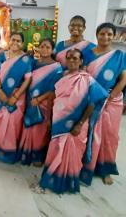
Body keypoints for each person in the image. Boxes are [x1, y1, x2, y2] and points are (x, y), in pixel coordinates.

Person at [40, 49, 108, 194]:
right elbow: (53, 96)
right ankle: (51, 178)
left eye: (75, 58)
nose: (71, 60)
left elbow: (92, 103)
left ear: (81, 61)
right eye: (69, 57)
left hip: (77, 123)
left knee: (73, 152)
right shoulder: (60, 76)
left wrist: (80, 124)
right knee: (56, 149)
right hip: (58, 120)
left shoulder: (87, 79)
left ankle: (68, 181)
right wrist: (50, 118)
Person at [80, 23, 126, 186]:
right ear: (97, 34)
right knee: (88, 132)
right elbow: (82, 76)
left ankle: (105, 169)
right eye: (102, 34)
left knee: (109, 136)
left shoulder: (119, 55)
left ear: (113, 36)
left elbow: (123, 79)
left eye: (109, 34)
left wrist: (110, 97)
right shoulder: (87, 53)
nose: (105, 37)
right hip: (91, 98)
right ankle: (85, 165)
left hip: (111, 101)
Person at [18, 38, 63, 166]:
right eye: (42, 46)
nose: (44, 49)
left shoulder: (57, 67)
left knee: (41, 129)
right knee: (29, 127)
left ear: (52, 50)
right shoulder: (33, 63)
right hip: (29, 99)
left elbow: (55, 88)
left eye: (48, 47)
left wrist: (39, 99)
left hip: (44, 102)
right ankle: (26, 153)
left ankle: (38, 156)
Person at [0, 32, 32, 164]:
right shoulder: (3, 55)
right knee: (0, 120)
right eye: (13, 40)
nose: (15, 43)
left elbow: (28, 79)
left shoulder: (26, 59)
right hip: (1, 93)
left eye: (19, 41)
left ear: (22, 44)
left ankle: (9, 152)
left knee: (13, 122)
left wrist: (16, 96)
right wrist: (0, 91)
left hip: (17, 96)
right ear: (9, 41)